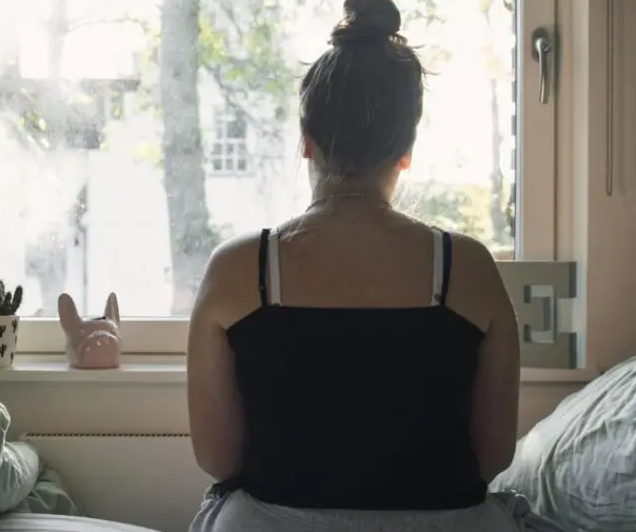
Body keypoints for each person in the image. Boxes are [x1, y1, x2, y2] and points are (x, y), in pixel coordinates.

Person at [186, 0, 521, 530]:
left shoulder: (237, 269)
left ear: (306, 142)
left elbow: (218, 460)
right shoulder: (468, 267)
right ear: (406, 150)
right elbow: (493, 458)